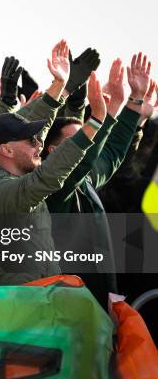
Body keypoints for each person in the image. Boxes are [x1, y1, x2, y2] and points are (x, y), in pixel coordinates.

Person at [0, 40, 107, 285]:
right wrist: (95, 123)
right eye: (31, 141)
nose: (39, 144)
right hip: (16, 306)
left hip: (41, 300)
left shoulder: (7, 171)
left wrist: (60, 87)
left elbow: (32, 124)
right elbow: (45, 178)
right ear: (6, 149)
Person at [43, 55, 153, 307]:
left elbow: (111, 151)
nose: (86, 142)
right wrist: (107, 111)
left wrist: (134, 101)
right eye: (77, 139)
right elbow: (84, 158)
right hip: (63, 307)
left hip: (99, 303)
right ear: (51, 150)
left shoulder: (85, 181)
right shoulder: (51, 187)